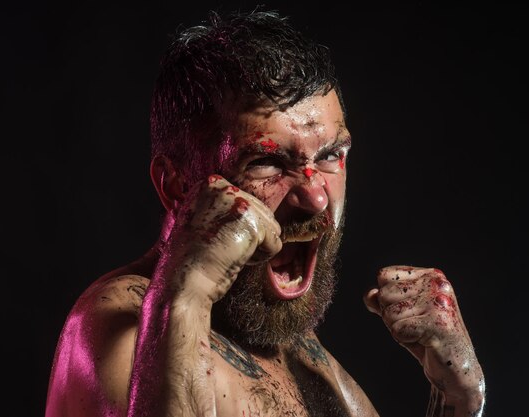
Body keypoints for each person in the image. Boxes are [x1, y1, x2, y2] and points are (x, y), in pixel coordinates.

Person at [45, 9, 485, 417]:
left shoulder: (302, 356)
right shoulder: (119, 327)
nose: (315, 197)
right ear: (177, 185)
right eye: (267, 162)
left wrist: (458, 396)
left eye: (331, 155)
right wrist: (187, 294)